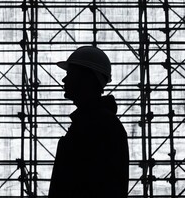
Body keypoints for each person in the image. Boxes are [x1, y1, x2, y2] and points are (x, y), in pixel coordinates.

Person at [48, 46, 129, 198]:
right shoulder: (97, 123)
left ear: (88, 78)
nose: (64, 79)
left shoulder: (98, 126)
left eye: (70, 73)